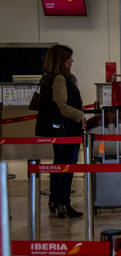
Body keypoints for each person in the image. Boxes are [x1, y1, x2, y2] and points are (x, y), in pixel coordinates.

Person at [35, 45, 86, 218]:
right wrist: (81, 116)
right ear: (60, 60)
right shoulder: (60, 78)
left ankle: (55, 200)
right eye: (68, 58)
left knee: (58, 164)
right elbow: (61, 106)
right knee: (67, 165)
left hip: (58, 130)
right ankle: (63, 203)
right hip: (67, 130)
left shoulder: (47, 77)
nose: (72, 61)